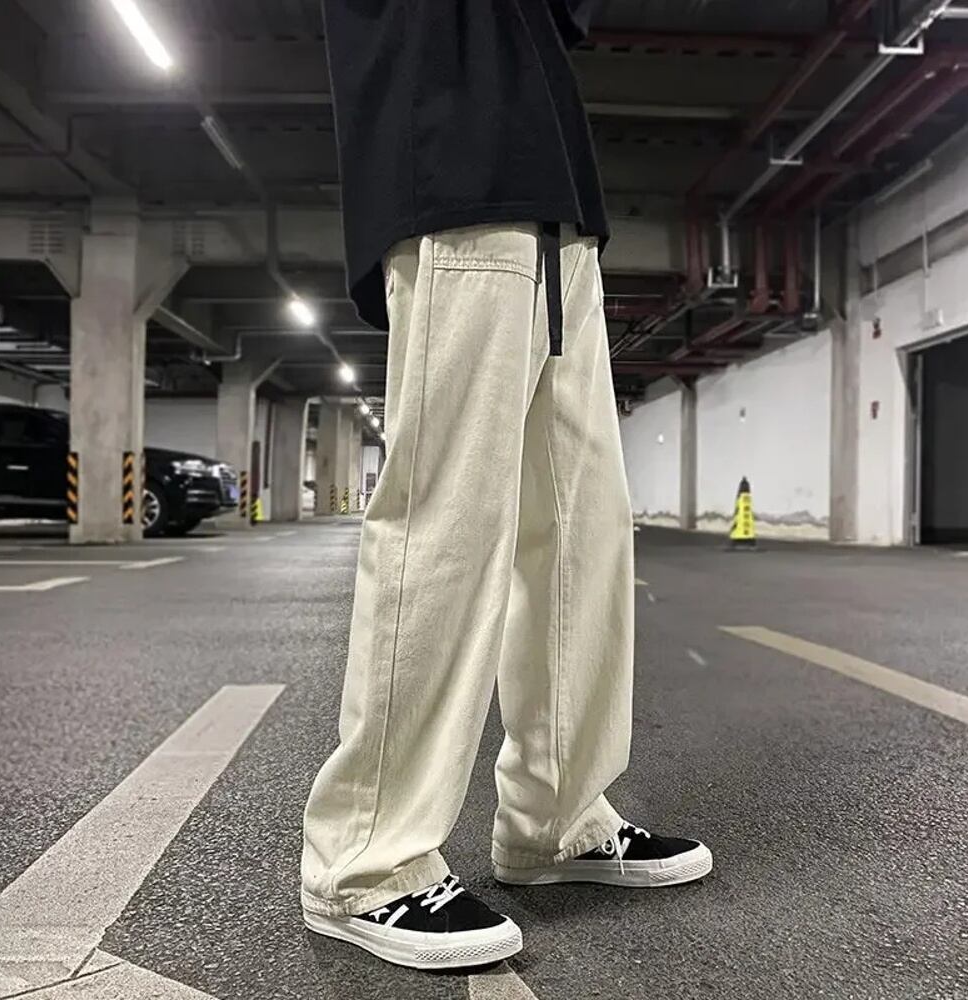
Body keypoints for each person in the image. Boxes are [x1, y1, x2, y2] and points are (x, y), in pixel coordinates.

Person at [302, 0, 712, 970]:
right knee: (445, 525)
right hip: (455, 167)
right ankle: (364, 861)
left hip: (557, 202)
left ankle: (555, 817)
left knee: (584, 531)